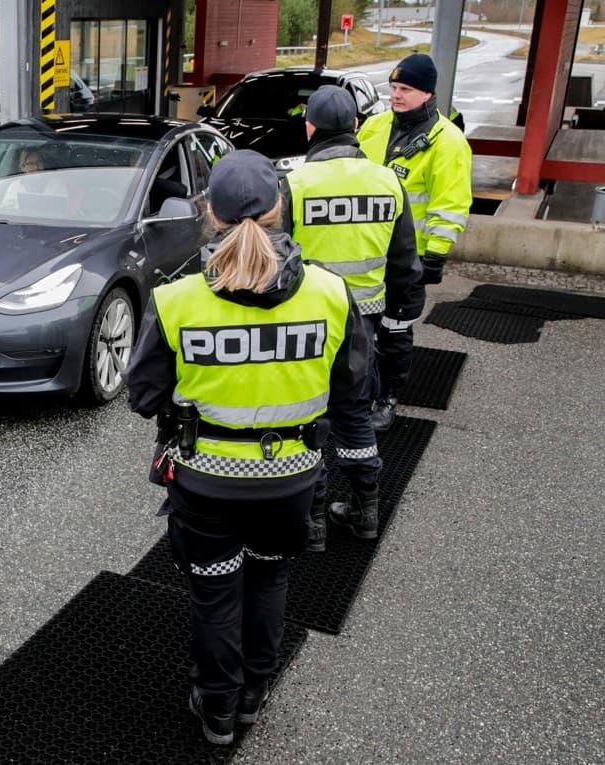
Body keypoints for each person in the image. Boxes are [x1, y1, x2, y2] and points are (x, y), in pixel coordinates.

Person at [124, 150, 373, 746]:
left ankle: (217, 709)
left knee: (215, 594)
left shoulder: (177, 299)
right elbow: (355, 388)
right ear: (279, 207)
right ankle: (254, 695)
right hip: (293, 478)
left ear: (209, 213)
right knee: (268, 581)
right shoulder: (330, 293)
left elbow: (143, 394)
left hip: (204, 482)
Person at [281, 85, 424, 549]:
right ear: (356, 126)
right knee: (354, 414)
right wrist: (401, 315)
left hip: (309, 322)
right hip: (364, 321)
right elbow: (404, 260)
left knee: (308, 418)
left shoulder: (296, 184)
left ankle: (314, 521)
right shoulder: (387, 181)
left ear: (310, 127)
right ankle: (366, 511)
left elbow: (279, 260)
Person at [357, 53, 473, 432]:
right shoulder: (374, 127)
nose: (396, 95)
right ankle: (355, 392)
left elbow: (450, 205)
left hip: (407, 259)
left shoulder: (448, 142)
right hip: (364, 252)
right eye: (393, 87)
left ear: (427, 93)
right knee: (357, 328)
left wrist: (435, 256)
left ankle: (387, 398)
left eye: (405, 89)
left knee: (394, 331)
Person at [0, 147, 67, 209]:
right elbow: (6, 210)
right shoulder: (15, 186)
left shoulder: (57, 184)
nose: (36, 167)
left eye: (39, 162)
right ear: (22, 167)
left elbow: (62, 212)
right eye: (31, 163)